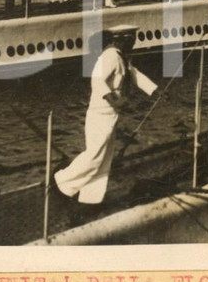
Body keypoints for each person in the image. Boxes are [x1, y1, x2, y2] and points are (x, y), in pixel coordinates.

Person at [53, 26, 156, 204]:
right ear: (121, 39)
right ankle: (62, 181)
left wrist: (153, 90)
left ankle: (91, 198)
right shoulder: (110, 57)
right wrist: (114, 100)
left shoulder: (120, 56)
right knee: (95, 155)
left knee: (104, 159)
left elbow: (133, 74)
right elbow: (97, 80)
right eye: (132, 39)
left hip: (110, 114)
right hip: (100, 113)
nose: (135, 42)